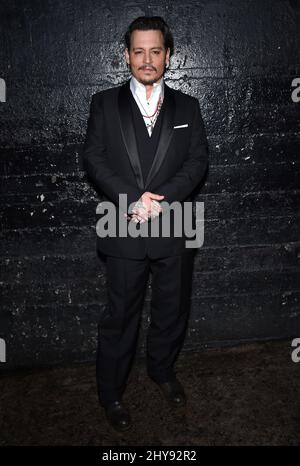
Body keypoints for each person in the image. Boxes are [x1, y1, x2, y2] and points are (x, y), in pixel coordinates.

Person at [83, 16, 208, 432]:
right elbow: (94, 160)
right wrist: (132, 198)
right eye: (139, 51)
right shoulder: (104, 103)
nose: (147, 59)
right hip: (122, 220)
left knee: (173, 310)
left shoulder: (188, 106)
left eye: (156, 51)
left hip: (176, 219)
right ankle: (111, 393)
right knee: (121, 315)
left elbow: (197, 162)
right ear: (127, 55)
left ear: (168, 55)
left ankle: (162, 371)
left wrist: (165, 198)